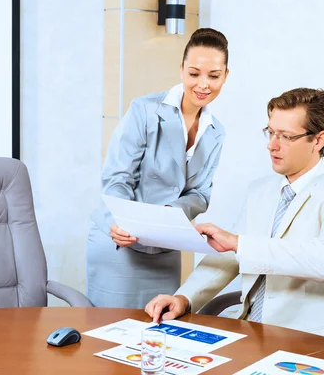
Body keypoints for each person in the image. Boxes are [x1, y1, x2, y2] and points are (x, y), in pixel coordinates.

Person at [144, 88, 324, 337]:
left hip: (310, 337)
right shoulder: (261, 190)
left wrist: (238, 243)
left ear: (319, 140)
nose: (272, 145)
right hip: (250, 328)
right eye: (271, 132)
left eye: (286, 136)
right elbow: (229, 255)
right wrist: (184, 298)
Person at [86, 28, 230, 308]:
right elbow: (118, 177)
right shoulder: (144, 110)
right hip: (120, 241)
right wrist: (121, 221)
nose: (203, 84)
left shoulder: (216, 132)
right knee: (110, 334)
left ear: (225, 76)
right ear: (181, 70)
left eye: (213, 76)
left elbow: (200, 193)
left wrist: (170, 214)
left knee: (160, 331)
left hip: (165, 247)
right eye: (194, 73)